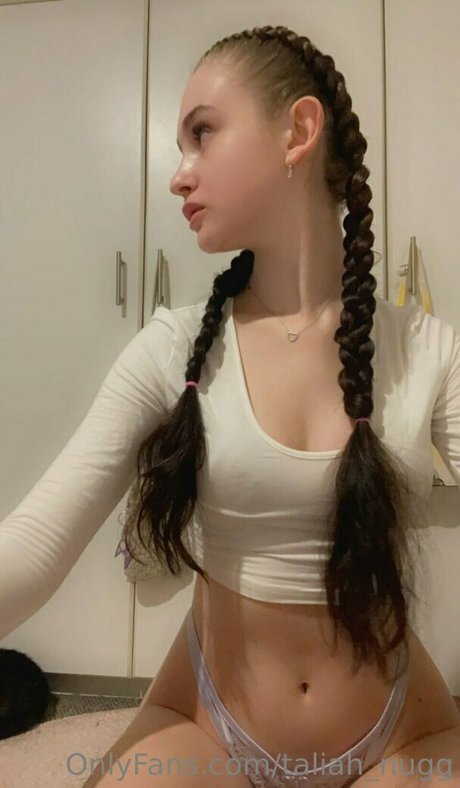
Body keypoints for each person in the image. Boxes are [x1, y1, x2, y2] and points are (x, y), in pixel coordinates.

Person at [2, 24, 460, 787]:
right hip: (209, 720)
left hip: (402, 733)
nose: (178, 175)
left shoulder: (429, 346)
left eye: (202, 134)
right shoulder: (172, 348)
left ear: (298, 131)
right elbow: (33, 547)